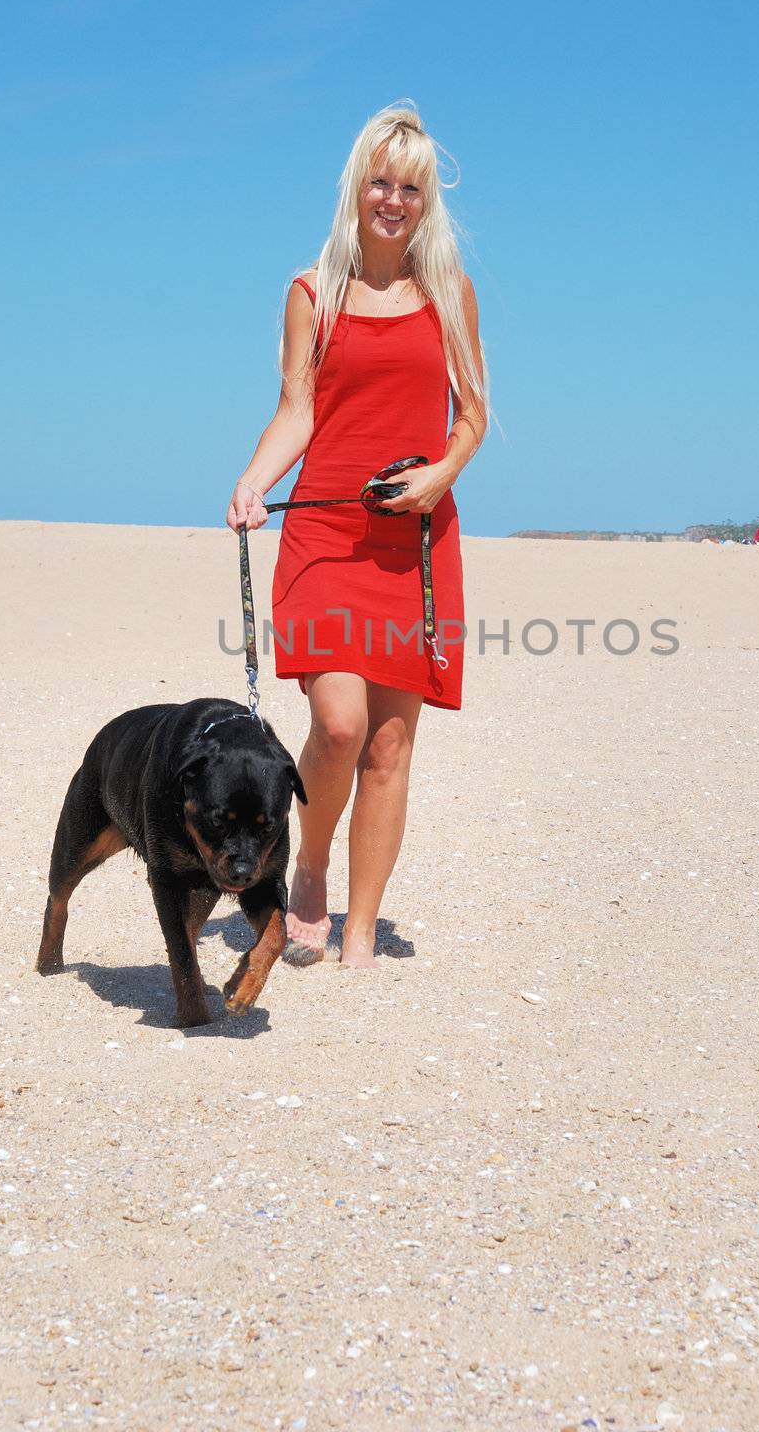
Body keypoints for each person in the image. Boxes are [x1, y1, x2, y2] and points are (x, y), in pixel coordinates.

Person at [226, 102, 489, 969]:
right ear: (356, 187)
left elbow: (474, 416)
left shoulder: (449, 293)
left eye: (409, 186)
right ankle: (307, 866)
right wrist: (253, 482)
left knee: (389, 741)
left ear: (426, 200)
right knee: (338, 725)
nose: (393, 199)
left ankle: (364, 927)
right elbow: (296, 410)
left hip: (412, 542)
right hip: (326, 536)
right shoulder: (313, 293)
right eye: (380, 181)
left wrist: (440, 476)